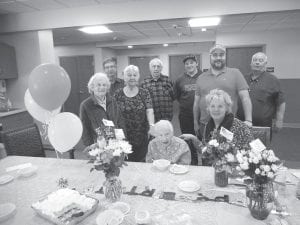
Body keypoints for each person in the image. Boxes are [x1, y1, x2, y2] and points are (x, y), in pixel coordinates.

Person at [193, 44, 252, 139]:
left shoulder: (235, 73)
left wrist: (249, 120)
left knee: (228, 151)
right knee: (205, 150)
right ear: (210, 57)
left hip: (228, 125)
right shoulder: (200, 77)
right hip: (205, 124)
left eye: (221, 55)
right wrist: (195, 122)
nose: (218, 58)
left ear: (225, 56)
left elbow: (245, 98)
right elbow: (196, 103)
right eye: (215, 55)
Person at [181, 89, 253, 165]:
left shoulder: (238, 125)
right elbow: (205, 150)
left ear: (227, 108)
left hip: (235, 169)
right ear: (208, 108)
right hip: (213, 169)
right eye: (212, 106)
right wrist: (193, 138)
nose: (216, 109)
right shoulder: (208, 125)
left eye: (220, 106)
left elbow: (253, 149)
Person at [237, 52, 286, 133]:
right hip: (242, 123)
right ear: (251, 63)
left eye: (260, 60)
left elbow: (281, 102)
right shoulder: (243, 78)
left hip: (263, 125)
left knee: (260, 145)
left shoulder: (273, 80)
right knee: (241, 145)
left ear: (265, 63)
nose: (257, 62)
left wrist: (279, 120)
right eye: (255, 60)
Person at [114, 65, 155, 162]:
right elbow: (113, 113)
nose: (132, 77)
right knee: (125, 160)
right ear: (124, 77)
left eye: (134, 75)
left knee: (141, 160)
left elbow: (149, 110)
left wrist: (152, 125)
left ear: (138, 76)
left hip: (141, 133)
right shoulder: (117, 93)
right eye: (129, 75)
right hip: (123, 134)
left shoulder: (144, 92)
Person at [80, 73, 124, 147]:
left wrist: (123, 140)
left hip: (116, 143)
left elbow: (120, 122)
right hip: (98, 145)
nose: (102, 87)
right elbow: (85, 130)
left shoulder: (113, 101)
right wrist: (91, 147)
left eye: (104, 85)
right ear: (92, 87)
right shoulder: (86, 105)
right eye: (99, 85)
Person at [174, 55, 202, 135]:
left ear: (196, 63)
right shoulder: (180, 79)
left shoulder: (203, 76)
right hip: (185, 116)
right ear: (184, 66)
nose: (189, 65)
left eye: (191, 63)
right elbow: (178, 96)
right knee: (187, 137)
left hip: (201, 114)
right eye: (187, 64)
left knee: (201, 137)